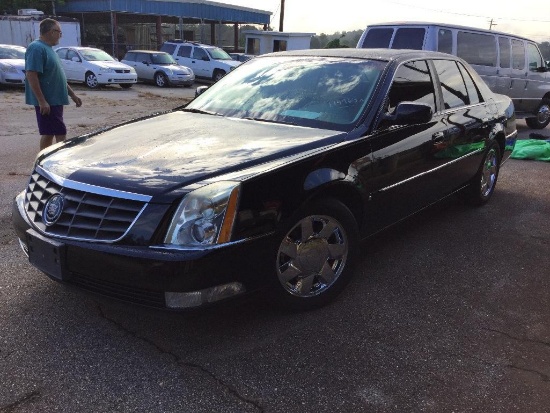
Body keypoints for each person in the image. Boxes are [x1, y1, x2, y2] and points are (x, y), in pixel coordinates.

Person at [25, 18, 82, 151]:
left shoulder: (49, 49)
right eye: (59, 32)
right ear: (51, 32)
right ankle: (58, 161)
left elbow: (57, 76)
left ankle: (45, 161)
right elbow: (31, 74)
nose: (60, 36)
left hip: (55, 100)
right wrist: (42, 101)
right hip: (48, 101)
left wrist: (72, 95)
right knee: (59, 132)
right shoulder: (36, 48)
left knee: (50, 132)